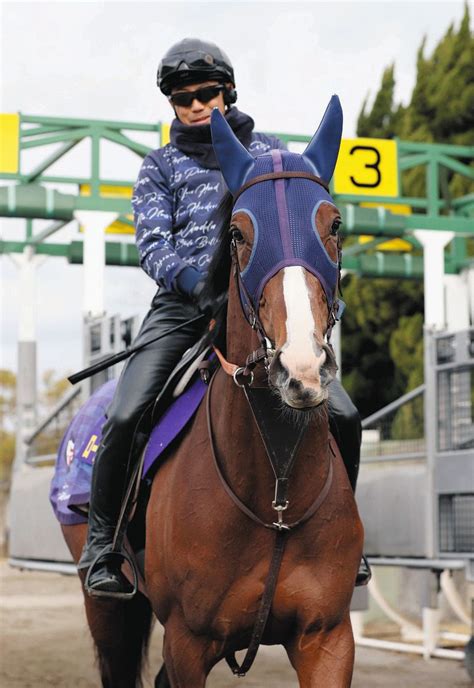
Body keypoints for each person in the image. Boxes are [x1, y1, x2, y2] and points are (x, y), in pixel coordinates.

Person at [78, 37, 370, 598]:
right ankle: (103, 550)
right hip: (183, 309)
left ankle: (344, 540)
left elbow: (293, 228)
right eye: (182, 98)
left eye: (206, 93)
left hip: (260, 307)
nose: (195, 105)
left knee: (347, 415)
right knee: (125, 414)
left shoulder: (270, 152)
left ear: (228, 91)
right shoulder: (158, 166)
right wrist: (194, 285)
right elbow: (152, 245)